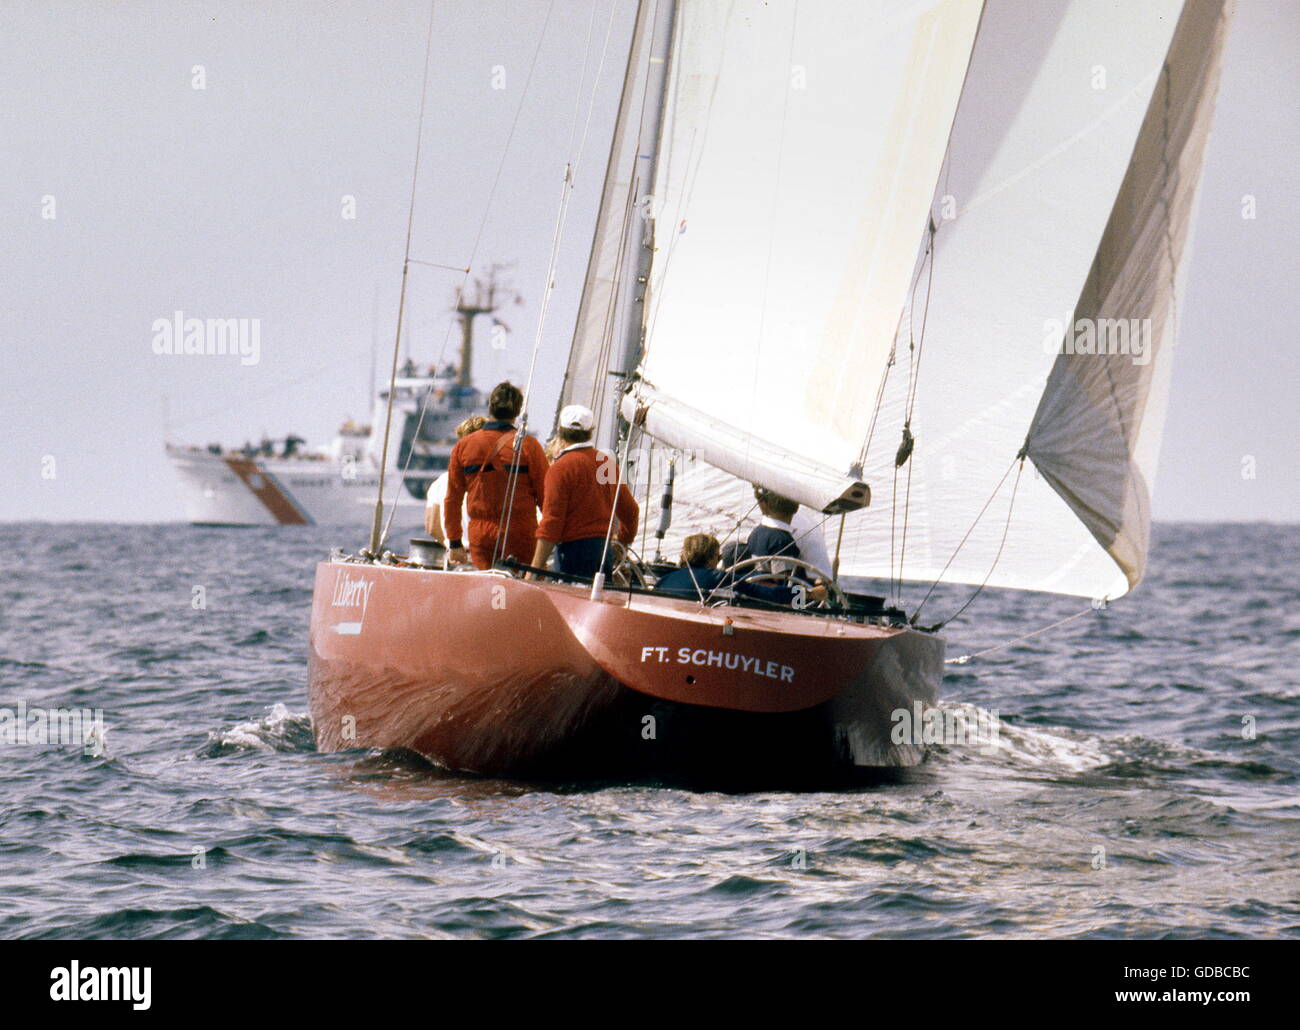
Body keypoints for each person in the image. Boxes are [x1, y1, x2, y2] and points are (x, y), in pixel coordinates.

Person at [444, 383, 549, 569]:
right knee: (522, 589)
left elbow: (452, 499)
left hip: (481, 535)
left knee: (485, 586)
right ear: (517, 412)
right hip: (520, 533)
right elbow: (545, 497)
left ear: (490, 407)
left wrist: (454, 542)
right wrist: (551, 538)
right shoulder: (529, 445)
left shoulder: (464, 445)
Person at [529, 404, 639, 579]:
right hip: (603, 554)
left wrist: (533, 571)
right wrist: (622, 544)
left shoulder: (559, 469)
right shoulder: (606, 463)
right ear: (591, 431)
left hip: (572, 556)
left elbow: (552, 524)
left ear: (560, 430)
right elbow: (631, 511)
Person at [743, 487, 829, 603]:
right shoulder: (782, 542)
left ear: (764, 506)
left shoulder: (756, 533)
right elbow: (787, 587)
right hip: (778, 607)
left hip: (758, 597)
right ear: (796, 507)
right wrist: (815, 591)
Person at [424, 415, 486, 542]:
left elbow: (432, 527)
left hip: (454, 557)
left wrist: (454, 547)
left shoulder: (441, 482)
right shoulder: (496, 480)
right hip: (485, 557)